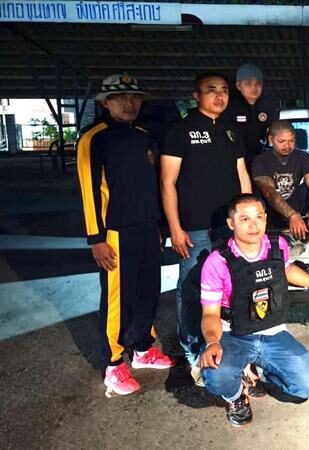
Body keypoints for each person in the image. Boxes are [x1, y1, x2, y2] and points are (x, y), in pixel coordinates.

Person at [199, 194, 309, 426]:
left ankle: (262, 371)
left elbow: (287, 270)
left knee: (306, 386)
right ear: (231, 224)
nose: (253, 225)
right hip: (234, 334)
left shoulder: (278, 245)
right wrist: (212, 342)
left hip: (272, 331)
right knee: (217, 376)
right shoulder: (217, 261)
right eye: (244, 219)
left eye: (258, 217)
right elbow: (210, 314)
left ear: (266, 219)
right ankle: (236, 395)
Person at [77, 73, 175, 397]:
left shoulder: (144, 136)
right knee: (118, 299)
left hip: (147, 228)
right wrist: (96, 238)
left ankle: (143, 348)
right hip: (115, 232)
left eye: (134, 97)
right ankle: (114, 363)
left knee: (148, 291)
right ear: (106, 103)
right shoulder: (94, 138)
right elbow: (89, 191)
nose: (129, 103)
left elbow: (152, 186)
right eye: (120, 98)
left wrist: (159, 227)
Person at [161, 72, 252, 370]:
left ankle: (228, 342)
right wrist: (175, 228)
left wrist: (248, 219)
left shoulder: (231, 131)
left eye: (224, 90)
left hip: (228, 226)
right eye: (211, 90)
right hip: (194, 226)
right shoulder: (180, 130)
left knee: (230, 284)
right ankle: (192, 350)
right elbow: (167, 182)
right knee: (191, 286)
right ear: (196, 95)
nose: (219, 96)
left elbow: (242, 175)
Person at [252, 120, 309, 240]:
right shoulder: (261, 161)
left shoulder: (303, 157)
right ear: (271, 140)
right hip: (271, 212)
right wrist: (292, 215)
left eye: (291, 141)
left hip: (295, 206)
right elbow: (269, 192)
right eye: (282, 141)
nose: (287, 146)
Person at [222, 63, 279, 170]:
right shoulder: (228, 105)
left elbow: (275, 129)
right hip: (233, 160)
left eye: (258, 84)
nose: (254, 88)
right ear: (239, 85)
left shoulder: (267, 104)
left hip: (261, 159)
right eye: (248, 84)